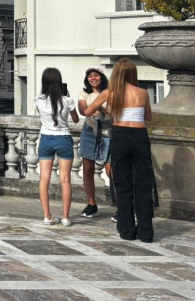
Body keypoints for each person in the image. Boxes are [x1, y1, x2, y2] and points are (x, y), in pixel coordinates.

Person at [85, 58, 154, 243]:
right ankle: (146, 232)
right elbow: (148, 117)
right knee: (143, 185)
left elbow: (88, 111)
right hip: (140, 135)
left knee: (122, 185)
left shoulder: (110, 93)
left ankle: (127, 230)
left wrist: (106, 110)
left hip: (120, 135)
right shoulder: (143, 92)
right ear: (133, 74)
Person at [34, 67, 79, 227]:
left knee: (44, 178)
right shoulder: (67, 100)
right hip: (63, 139)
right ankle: (66, 217)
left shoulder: (38, 100)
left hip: (46, 138)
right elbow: (75, 119)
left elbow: (41, 114)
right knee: (65, 180)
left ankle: (47, 216)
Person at [78, 66, 112, 219]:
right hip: (90, 131)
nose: (93, 78)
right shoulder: (84, 93)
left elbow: (113, 112)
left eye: (96, 75)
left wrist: (102, 110)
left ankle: (119, 204)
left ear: (102, 77)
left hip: (107, 132)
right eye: (90, 76)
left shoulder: (109, 92)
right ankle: (91, 203)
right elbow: (82, 109)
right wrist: (91, 109)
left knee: (111, 170)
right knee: (87, 168)